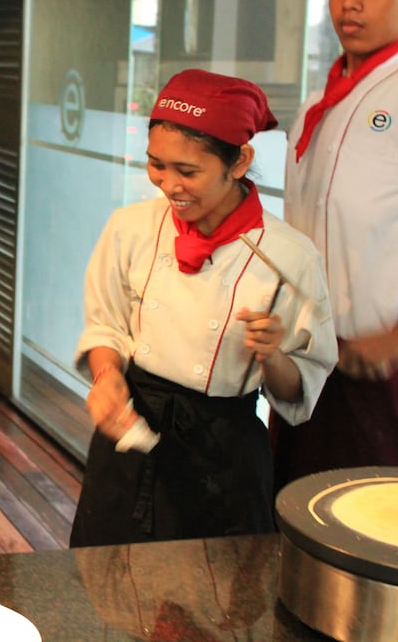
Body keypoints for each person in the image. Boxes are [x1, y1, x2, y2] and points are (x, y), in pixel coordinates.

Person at [69, 70, 338, 547]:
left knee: (218, 590)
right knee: (103, 580)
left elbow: (300, 386)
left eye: (188, 171)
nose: (168, 185)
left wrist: (272, 355)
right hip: (131, 438)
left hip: (223, 458)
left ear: (240, 162)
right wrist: (106, 376)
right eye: (156, 165)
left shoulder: (288, 257)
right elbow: (105, 324)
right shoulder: (131, 227)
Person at [271, 0, 398, 490]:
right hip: (306, 360)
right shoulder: (321, 99)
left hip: (379, 370)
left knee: (369, 523)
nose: (350, 2)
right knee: (290, 511)